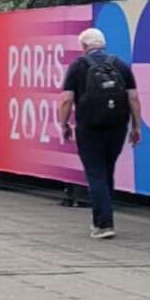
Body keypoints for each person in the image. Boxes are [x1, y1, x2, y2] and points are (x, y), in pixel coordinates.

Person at [58, 27, 142, 240]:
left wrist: (64, 124)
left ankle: (103, 224)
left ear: (84, 47)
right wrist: (136, 126)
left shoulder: (78, 66)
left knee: (95, 174)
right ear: (102, 44)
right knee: (107, 171)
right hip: (116, 126)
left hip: (89, 127)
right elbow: (133, 98)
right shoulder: (120, 65)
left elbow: (66, 99)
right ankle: (105, 218)